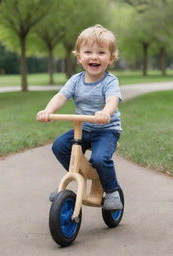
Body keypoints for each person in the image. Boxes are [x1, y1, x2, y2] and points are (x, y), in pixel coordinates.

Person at [36, 24, 123, 210]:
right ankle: (80, 174)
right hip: (84, 129)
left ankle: (113, 191)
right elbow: (61, 96)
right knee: (60, 146)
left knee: (100, 159)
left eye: (101, 52)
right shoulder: (75, 80)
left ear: (111, 58)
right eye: (88, 52)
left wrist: (105, 113)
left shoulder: (110, 81)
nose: (94, 56)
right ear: (79, 57)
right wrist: (48, 110)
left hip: (106, 130)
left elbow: (112, 101)